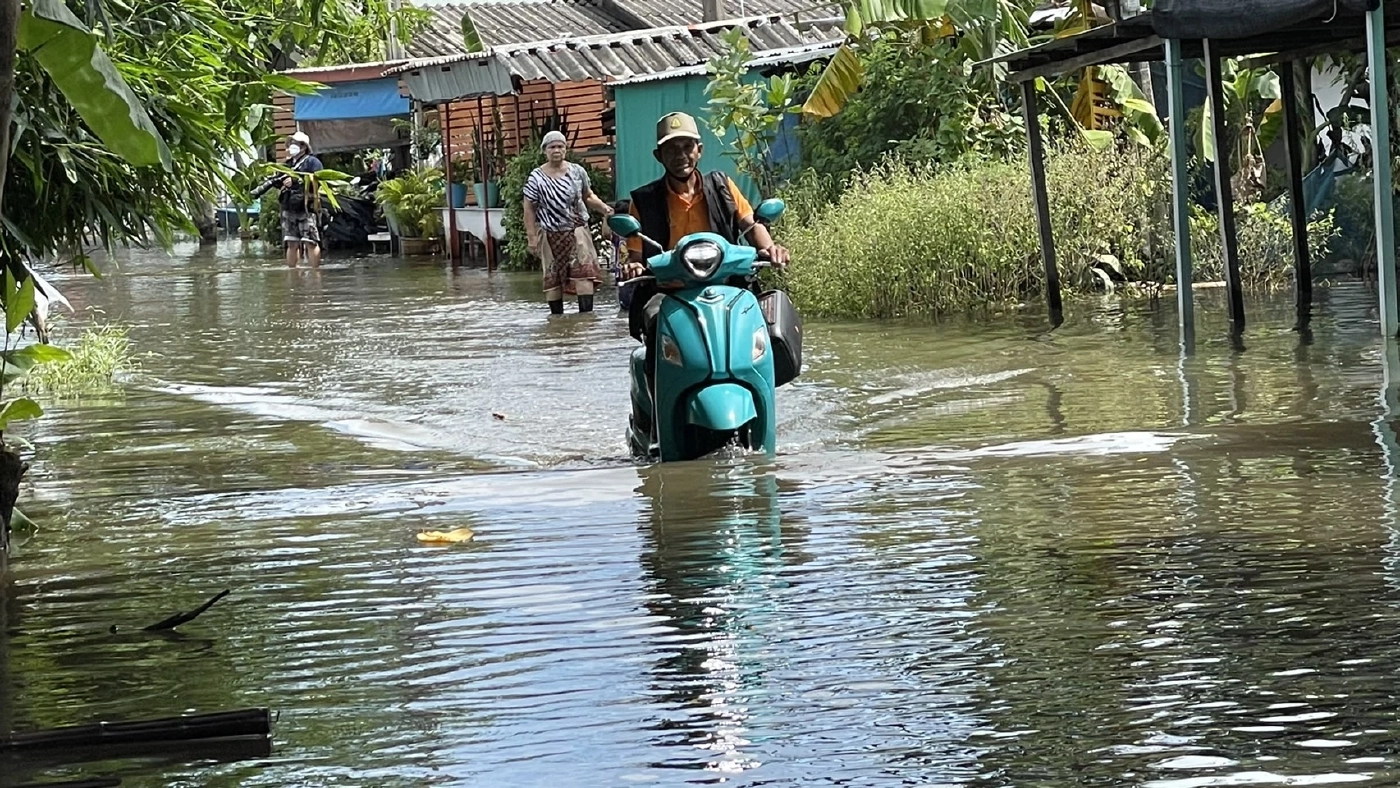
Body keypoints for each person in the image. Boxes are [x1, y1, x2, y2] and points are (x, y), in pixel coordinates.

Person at [621, 112, 790, 367]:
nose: (680, 155)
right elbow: (635, 255)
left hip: (727, 286)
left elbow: (751, 224)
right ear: (659, 156)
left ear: (699, 150)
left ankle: (761, 391)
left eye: (687, 147)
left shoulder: (722, 187)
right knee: (655, 321)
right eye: (671, 149)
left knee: (763, 323)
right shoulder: (644, 201)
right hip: (669, 291)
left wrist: (770, 248)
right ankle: (660, 399)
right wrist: (633, 265)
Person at [522, 130, 614, 315]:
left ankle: (586, 321)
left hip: (577, 231)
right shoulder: (536, 178)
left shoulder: (577, 172)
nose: (556, 150)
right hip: (550, 233)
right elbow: (529, 209)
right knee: (553, 279)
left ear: (566, 149)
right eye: (552, 147)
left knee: (584, 276)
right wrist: (532, 238)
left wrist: (605, 209)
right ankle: (557, 323)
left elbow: (588, 196)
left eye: (560, 146)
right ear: (545, 151)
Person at [277, 131, 324, 268]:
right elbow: (278, 182)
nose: (292, 146)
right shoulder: (287, 165)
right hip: (289, 207)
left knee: (310, 241)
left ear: (303, 147)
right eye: (290, 143)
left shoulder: (313, 162)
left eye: (295, 144)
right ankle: (293, 274)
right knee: (292, 242)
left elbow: (317, 180)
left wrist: (296, 181)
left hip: (306, 207)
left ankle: (315, 274)